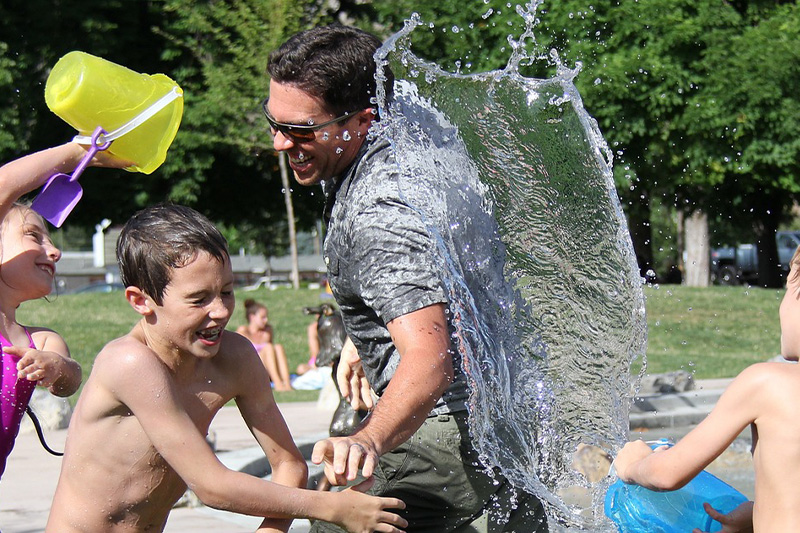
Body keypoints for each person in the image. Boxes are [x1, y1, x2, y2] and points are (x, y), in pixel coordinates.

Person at [265, 25, 547, 531]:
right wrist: (364, 335)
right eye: (274, 122)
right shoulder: (419, 131)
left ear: (362, 119)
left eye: (302, 130)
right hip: (513, 405)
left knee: (337, 522)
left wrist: (368, 438)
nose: (282, 143)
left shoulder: (378, 214)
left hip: (449, 426)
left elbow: (429, 360)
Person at [46, 204, 407, 533]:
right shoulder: (128, 363)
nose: (220, 310)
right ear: (141, 301)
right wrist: (330, 506)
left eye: (227, 291)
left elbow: (289, 465)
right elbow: (211, 485)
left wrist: (272, 530)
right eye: (199, 299)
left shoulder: (235, 358)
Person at [614, 245, 800, 533]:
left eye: (787, 288)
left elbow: (666, 474)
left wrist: (633, 466)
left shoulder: (767, 384)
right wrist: (756, 514)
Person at [0, 142, 126, 478]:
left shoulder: (40, 340)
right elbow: (5, 183)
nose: (54, 251)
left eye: (51, 240)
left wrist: (56, 368)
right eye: (33, 236)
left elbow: (70, 380)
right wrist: (78, 151)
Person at [237, 298, 293, 391]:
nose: (266, 320)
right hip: (251, 368)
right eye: (263, 317)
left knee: (278, 347)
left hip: (267, 370)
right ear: (252, 317)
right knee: (268, 347)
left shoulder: (267, 331)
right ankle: (278, 384)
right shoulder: (243, 331)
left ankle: (287, 384)